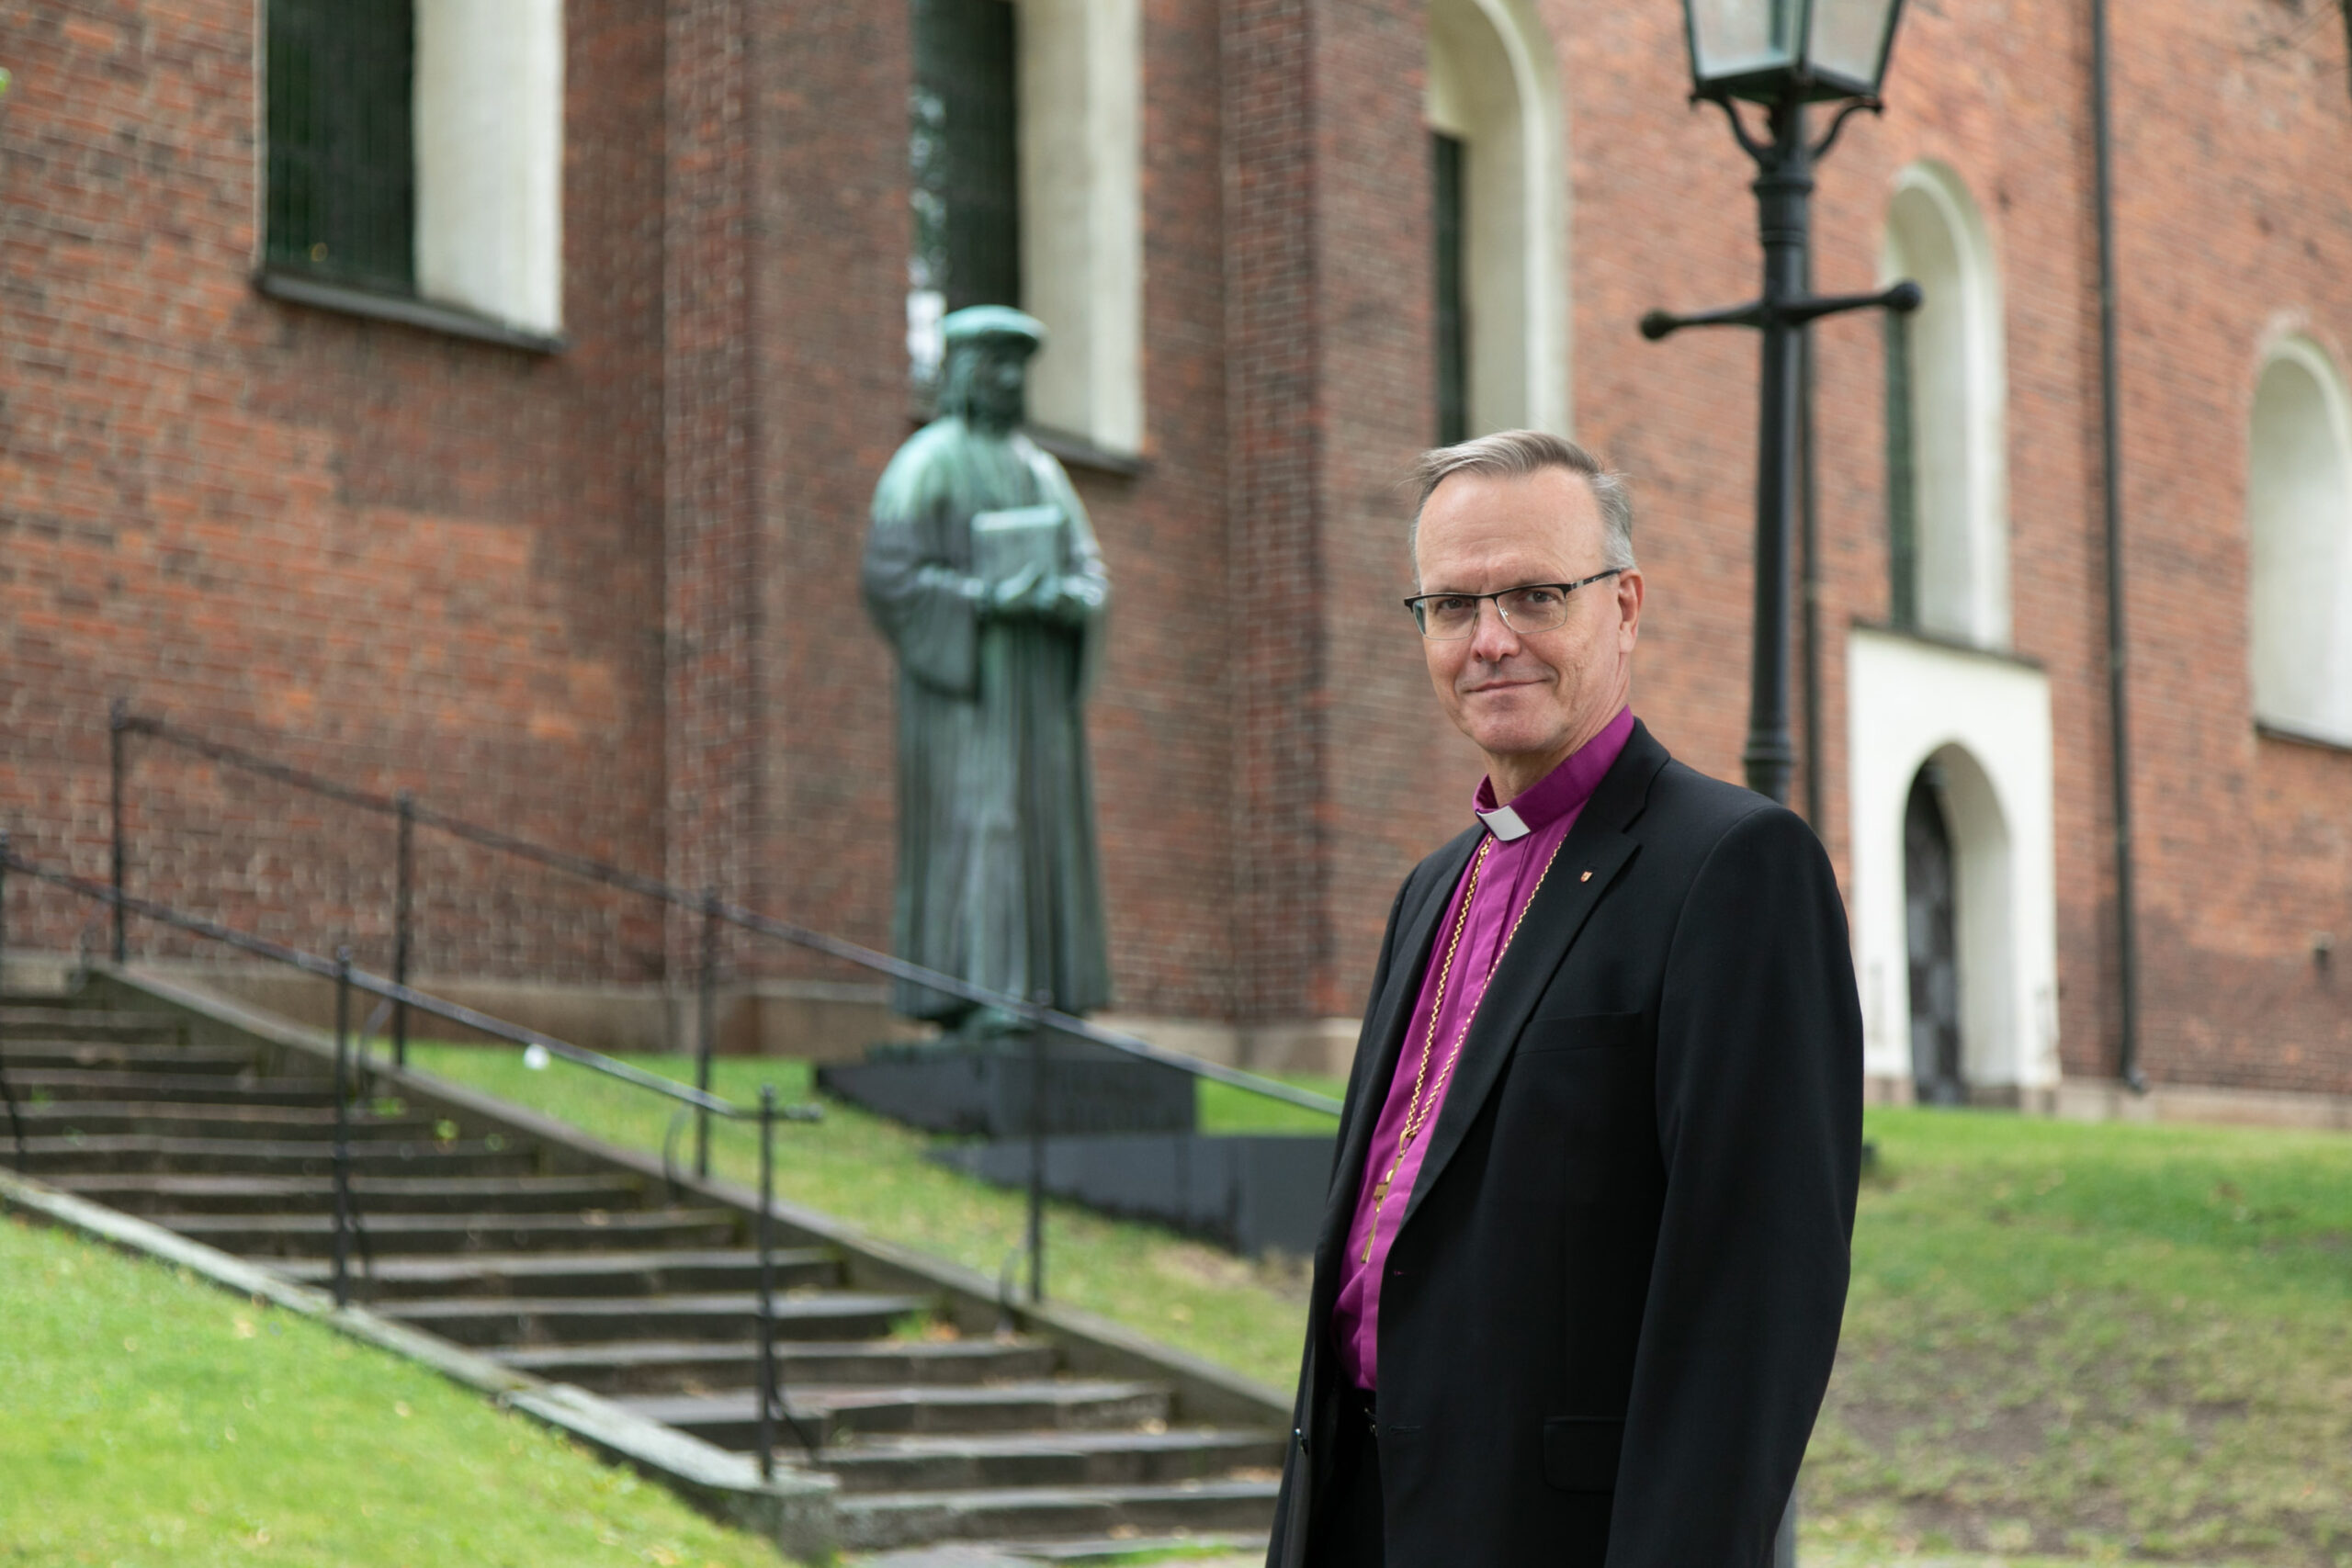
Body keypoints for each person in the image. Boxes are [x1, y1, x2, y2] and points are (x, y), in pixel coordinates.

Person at [1266, 431, 1863, 1567]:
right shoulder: (1430, 888)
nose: (1490, 640)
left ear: (1623, 607)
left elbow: (1754, 1300)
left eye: (1536, 596)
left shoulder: (1732, 865)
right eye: (1452, 606)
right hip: (1362, 1512)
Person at [862, 305, 1113, 1031]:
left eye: (1018, 368)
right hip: (968, 703)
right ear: (966, 373)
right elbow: (890, 578)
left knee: (1047, 834)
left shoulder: (1042, 471)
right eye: (996, 365)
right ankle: (977, 993)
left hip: (1038, 702)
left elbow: (1090, 571)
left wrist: (1070, 599)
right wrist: (985, 600)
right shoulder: (926, 464)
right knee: (983, 829)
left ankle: (1052, 996)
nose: (1009, 380)